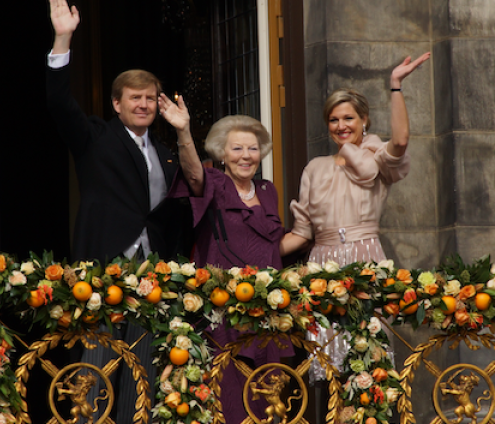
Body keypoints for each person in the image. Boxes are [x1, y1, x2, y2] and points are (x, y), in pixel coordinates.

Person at [39, 1, 191, 423]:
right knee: (97, 364)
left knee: (143, 367)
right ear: (117, 104)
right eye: (134, 99)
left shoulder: (166, 154)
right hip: (102, 266)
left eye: (149, 98)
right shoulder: (95, 137)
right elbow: (58, 102)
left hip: (152, 274)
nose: (143, 105)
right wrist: (63, 37)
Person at [283, 52, 430, 421]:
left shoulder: (376, 155)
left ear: (364, 120)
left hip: (365, 260)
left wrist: (395, 85)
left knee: (367, 362)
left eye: (348, 117)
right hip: (322, 264)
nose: (340, 125)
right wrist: (251, 255)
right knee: (327, 365)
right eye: (333, 119)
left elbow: (402, 139)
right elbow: (301, 233)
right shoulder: (314, 168)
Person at [158, 94, 300, 424]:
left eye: (252, 148)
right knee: (227, 395)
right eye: (236, 149)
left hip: (266, 309)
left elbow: (271, 245)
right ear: (222, 153)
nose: (246, 156)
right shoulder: (216, 184)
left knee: (267, 393)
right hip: (223, 309)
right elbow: (193, 174)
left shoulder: (268, 190)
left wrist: (310, 228)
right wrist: (183, 131)